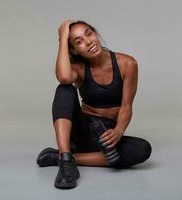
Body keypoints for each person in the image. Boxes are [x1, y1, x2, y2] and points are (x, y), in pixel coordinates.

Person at [36, 19, 152, 189]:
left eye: (89, 33)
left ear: (95, 34)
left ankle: (60, 157)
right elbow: (63, 77)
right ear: (74, 50)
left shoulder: (127, 64)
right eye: (78, 42)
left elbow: (127, 106)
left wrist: (119, 131)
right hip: (82, 130)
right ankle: (67, 162)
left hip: (107, 135)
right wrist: (63, 39)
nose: (88, 41)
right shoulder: (78, 69)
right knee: (64, 89)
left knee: (142, 149)